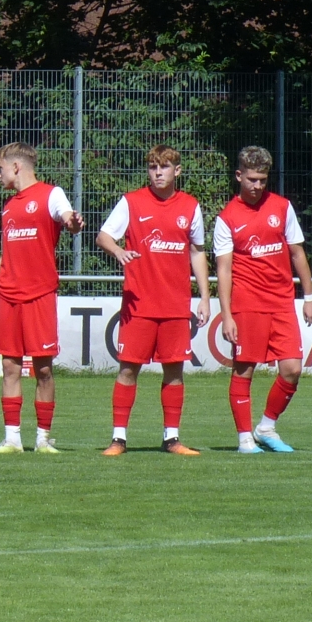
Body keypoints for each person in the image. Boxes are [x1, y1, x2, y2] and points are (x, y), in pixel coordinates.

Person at [95, 145, 210, 456]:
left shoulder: (190, 206)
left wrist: (204, 296)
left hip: (175, 305)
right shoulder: (131, 202)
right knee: (128, 369)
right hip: (139, 305)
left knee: (174, 370)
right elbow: (103, 236)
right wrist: (118, 251)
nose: (158, 173)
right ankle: (119, 438)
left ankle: (171, 438)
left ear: (177, 171)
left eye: (164, 167)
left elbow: (197, 252)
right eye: (152, 167)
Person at [0, 142, 83, 454]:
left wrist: (73, 222)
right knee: (10, 367)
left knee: (43, 369)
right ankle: (12, 440)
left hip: (39, 295)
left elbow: (67, 217)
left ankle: (43, 439)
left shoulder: (50, 193)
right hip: (8, 296)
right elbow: (6, 257)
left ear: (16, 167)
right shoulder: (8, 207)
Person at [215, 144, 312, 454]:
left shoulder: (282, 208)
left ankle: (266, 426)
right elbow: (223, 270)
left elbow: (297, 252)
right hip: (248, 303)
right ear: (239, 176)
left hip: (281, 302)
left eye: (263, 179)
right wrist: (227, 315)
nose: (258, 186)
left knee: (292, 369)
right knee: (244, 369)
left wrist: (309, 296)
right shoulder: (227, 218)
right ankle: (245, 438)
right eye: (252, 179)